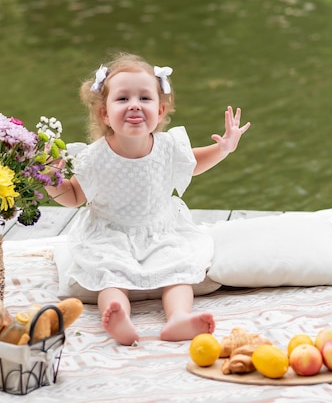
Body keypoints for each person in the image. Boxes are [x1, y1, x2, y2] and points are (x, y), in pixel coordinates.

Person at [45, 53, 250, 345]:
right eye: (122, 99)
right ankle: (119, 317)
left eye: (144, 98)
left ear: (161, 110)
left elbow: (194, 161)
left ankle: (178, 318)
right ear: (104, 114)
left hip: (160, 228)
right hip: (110, 233)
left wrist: (224, 148)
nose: (134, 105)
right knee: (110, 274)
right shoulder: (95, 157)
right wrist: (51, 180)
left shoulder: (167, 147)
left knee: (178, 269)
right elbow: (74, 196)